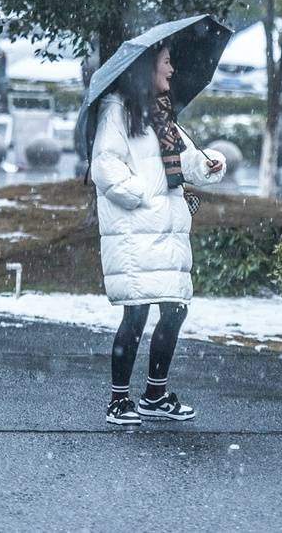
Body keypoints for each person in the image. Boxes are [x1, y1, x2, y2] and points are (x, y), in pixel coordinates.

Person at [91, 43, 226, 426]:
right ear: (146, 69)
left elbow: (184, 162)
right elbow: (105, 167)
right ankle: (118, 401)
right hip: (137, 231)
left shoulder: (163, 114)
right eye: (166, 62)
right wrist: (143, 195)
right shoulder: (117, 110)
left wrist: (208, 164)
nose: (172, 69)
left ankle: (154, 395)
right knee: (136, 313)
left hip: (168, 230)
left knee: (175, 308)